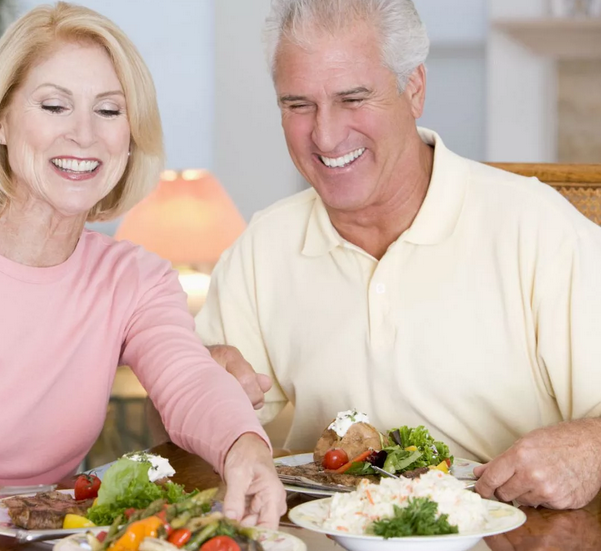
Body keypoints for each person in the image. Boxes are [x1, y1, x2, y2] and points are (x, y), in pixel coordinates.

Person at [0, 4, 285, 549]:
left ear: (130, 138)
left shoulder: (134, 279)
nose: (84, 134)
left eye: (109, 111)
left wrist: (244, 447)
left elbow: (186, 378)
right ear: (0, 121)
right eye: (55, 105)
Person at [195, 0, 601, 510]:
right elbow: (182, 422)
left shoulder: (537, 227)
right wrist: (196, 384)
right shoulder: (264, 244)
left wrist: (591, 448)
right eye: (298, 105)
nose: (325, 134)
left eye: (353, 98)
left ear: (414, 89)